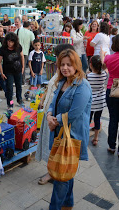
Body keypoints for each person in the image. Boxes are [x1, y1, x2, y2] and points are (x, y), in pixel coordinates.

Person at [47, 49, 92, 210]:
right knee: (66, 170)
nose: (65, 68)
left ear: (76, 65)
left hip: (72, 135)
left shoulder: (83, 86)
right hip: (60, 133)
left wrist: (55, 121)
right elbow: (53, 103)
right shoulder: (62, 81)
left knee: (61, 175)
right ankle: (67, 204)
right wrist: (49, 115)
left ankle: (55, 207)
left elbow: (74, 113)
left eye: (69, 64)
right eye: (62, 65)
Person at [36, 44, 75, 185]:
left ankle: (54, 173)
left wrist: (55, 119)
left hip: (58, 120)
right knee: (50, 145)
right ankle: (52, 171)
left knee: (55, 147)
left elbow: (72, 107)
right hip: (50, 116)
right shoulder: (60, 73)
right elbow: (53, 93)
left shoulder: (72, 79)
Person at [0, 33, 25, 110]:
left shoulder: (18, 47)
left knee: (19, 86)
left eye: (12, 42)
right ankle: (10, 104)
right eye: (8, 41)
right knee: (9, 88)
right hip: (8, 72)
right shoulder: (3, 49)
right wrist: (1, 73)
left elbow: (22, 56)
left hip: (18, 70)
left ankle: (19, 100)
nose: (10, 43)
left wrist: (23, 67)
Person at [87, 55, 107, 146]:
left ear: (90, 65)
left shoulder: (88, 76)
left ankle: (85, 136)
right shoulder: (104, 75)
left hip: (90, 103)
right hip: (100, 102)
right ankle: (96, 138)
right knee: (97, 119)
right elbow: (106, 68)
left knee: (87, 120)